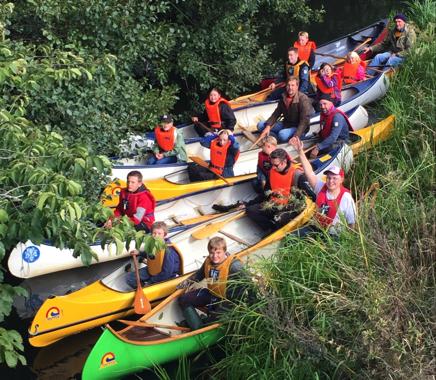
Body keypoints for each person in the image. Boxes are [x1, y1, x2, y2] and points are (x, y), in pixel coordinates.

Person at [289, 136, 356, 237]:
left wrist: (349, 241)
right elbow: (310, 173)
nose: (330, 181)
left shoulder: (346, 198)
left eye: (334, 178)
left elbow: (352, 223)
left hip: (332, 235)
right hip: (316, 228)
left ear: (341, 180)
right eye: (328, 178)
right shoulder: (321, 187)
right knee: (291, 237)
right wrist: (300, 152)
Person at [177, 236, 245, 330]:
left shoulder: (234, 266)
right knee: (183, 299)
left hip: (228, 301)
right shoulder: (208, 261)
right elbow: (199, 275)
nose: (214, 256)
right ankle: (197, 326)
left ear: (224, 251)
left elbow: (248, 285)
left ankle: (199, 324)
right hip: (211, 294)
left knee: (213, 322)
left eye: (218, 253)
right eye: (212, 253)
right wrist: (183, 284)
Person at [246, 148, 313, 231]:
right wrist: (249, 204)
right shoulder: (273, 171)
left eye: (276, 165)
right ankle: (270, 228)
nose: (273, 167)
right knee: (250, 210)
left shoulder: (297, 176)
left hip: (292, 208)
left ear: (284, 162)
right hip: (275, 204)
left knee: (278, 218)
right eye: (272, 164)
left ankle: (275, 228)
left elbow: (312, 197)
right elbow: (266, 192)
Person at [257, 76, 314, 143]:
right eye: (288, 85)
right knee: (260, 125)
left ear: (297, 86)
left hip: (298, 128)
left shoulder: (303, 99)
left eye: (293, 85)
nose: (290, 88)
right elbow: (276, 113)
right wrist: (268, 126)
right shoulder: (284, 96)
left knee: (282, 135)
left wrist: (296, 136)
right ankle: (273, 138)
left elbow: (304, 122)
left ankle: (276, 138)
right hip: (286, 124)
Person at [126, 221, 180, 289]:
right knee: (129, 278)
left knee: (149, 284)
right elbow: (151, 256)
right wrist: (139, 253)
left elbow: (167, 272)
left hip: (165, 276)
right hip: (153, 269)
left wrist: (151, 282)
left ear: (165, 235)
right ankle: (142, 288)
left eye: (159, 233)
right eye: (154, 233)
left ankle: (147, 288)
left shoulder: (168, 251)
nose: (156, 236)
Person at [309, 93, 353, 159]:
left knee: (323, 149)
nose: (322, 107)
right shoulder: (324, 114)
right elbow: (324, 127)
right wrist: (319, 134)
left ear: (331, 103)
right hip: (329, 138)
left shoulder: (337, 117)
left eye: (324, 104)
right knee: (312, 145)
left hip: (340, 141)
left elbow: (333, 137)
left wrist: (318, 148)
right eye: (320, 105)